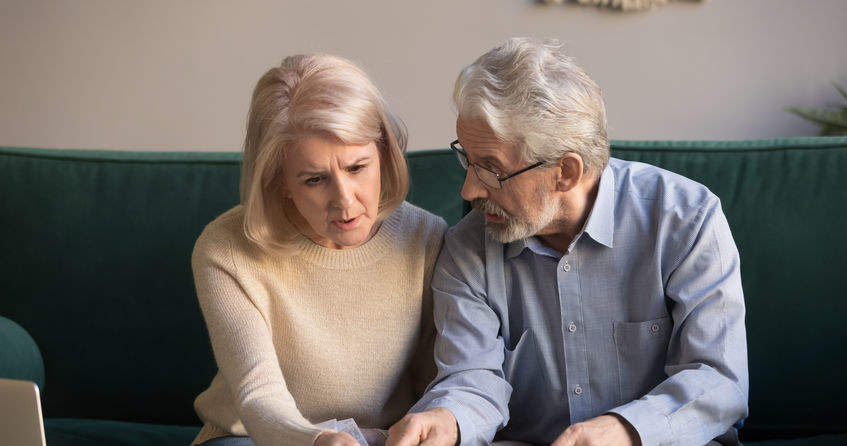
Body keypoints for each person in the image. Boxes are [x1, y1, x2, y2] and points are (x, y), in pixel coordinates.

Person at [387, 37, 748, 446]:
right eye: (467, 160)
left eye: (490, 169)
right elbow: (473, 379)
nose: (469, 190)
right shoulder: (467, 247)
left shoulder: (686, 219)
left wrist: (627, 430)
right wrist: (447, 419)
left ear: (566, 172)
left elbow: (718, 380)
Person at [190, 54, 447, 446]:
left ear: (383, 153)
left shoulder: (426, 237)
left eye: (358, 167)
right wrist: (317, 441)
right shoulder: (225, 249)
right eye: (314, 179)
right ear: (278, 181)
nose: (345, 201)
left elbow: (437, 383)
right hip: (254, 439)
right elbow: (258, 397)